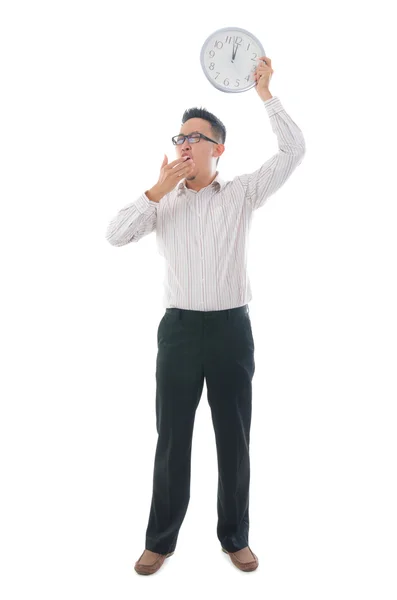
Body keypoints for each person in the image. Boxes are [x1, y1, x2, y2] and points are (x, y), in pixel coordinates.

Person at [105, 57, 305, 575]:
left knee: (233, 438)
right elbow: (115, 235)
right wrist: (153, 191)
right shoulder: (162, 202)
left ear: (218, 148)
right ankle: (160, 540)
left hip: (231, 331)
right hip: (178, 332)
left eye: (197, 137)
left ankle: (234, 536)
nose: (185, 144)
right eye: (180, 137)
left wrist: (265, 94)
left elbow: (292, 151)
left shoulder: (240, 194)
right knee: (172, 438)